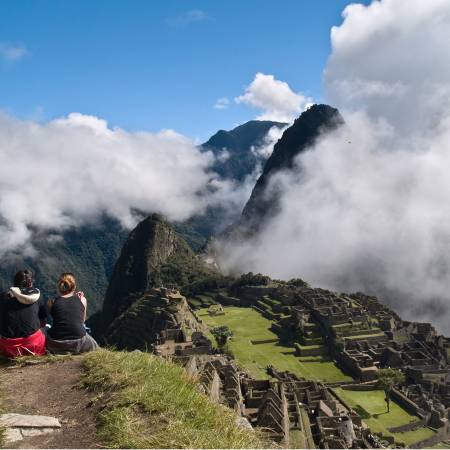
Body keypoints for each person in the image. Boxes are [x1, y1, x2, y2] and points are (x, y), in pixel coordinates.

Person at [46, 273, 99, 354]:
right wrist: (79, 299)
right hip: (79, 342)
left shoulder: (51, 302)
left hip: (55, 343)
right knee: (93, 343)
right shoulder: (82, 300)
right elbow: (82, 321)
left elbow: (59, 318)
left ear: (59, 287)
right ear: (74, 287)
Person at [0, 269, 47, 358]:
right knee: (47, 327)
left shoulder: (2, 297)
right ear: (31, 283)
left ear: (15, 283)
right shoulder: (37, 296)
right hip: (33, 346)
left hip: (8, 348)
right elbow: (43, 321)